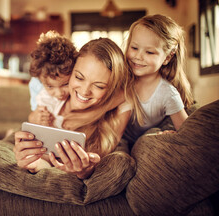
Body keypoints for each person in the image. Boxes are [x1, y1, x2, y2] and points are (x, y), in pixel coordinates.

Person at [14, 38, 137, 179]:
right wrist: (33, 162)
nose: (84, 92)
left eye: (99, 86)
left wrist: (85, 171)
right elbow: (45, 157)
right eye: (79, 77)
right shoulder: (54, 97)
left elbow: (131, 92)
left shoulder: (119, 109)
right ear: (70, 71)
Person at [123, 14, 194, 145]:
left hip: (145, 143)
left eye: (149, 52)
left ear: (167, 57)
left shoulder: (168, 94)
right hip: (118, 139)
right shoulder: (121, 79)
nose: (138, 56)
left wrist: (173, 134)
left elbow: (187, 134)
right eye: (134, 48)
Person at [27, 31, 78, 127]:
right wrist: (35, 118)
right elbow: (33, 113)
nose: (59, 93)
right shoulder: (37, 86)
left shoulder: (78, 93)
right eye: (50, 86)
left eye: (65, 84)